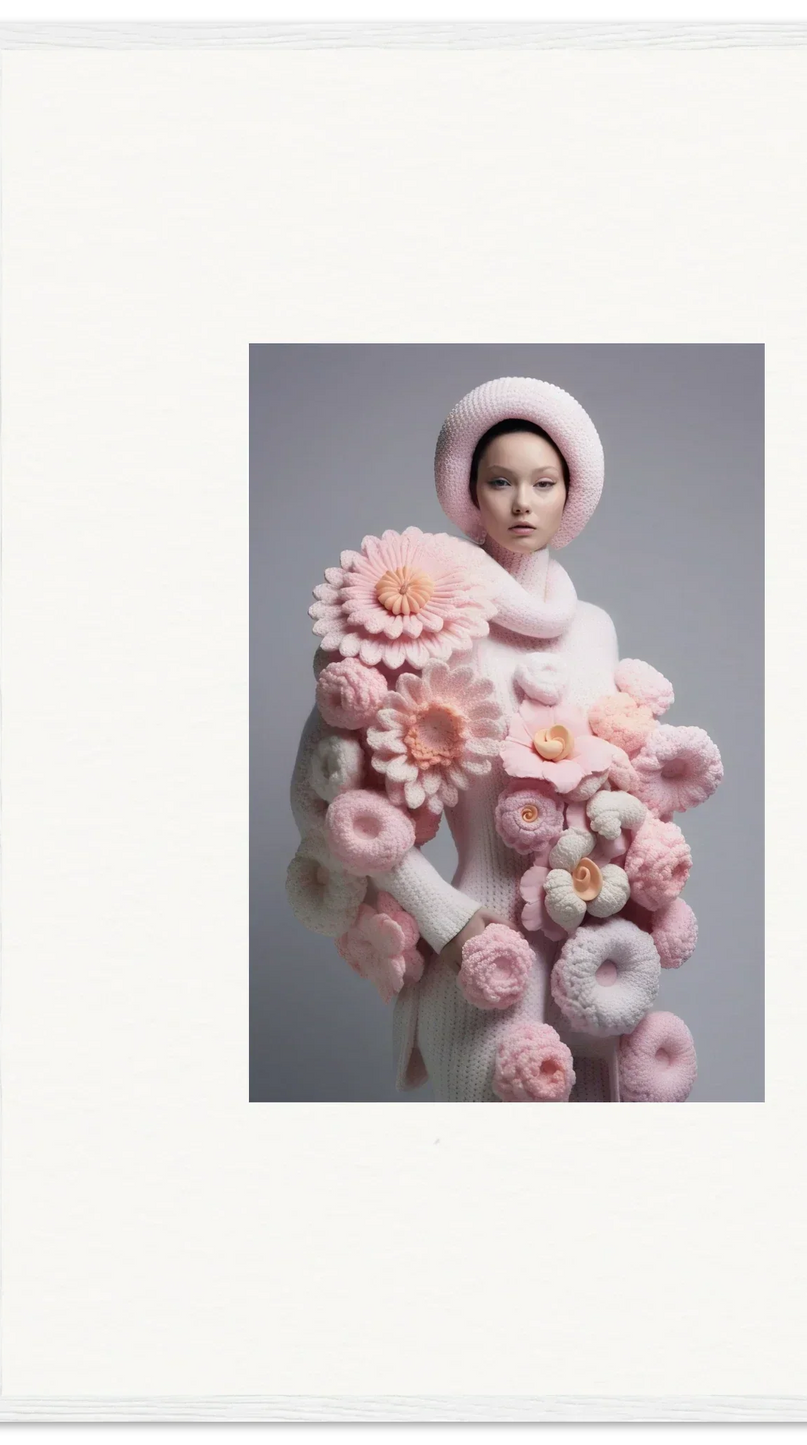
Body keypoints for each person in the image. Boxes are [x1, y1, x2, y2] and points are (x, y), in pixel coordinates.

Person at [287, 377, 712, 1102]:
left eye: (543, 482)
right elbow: (333, 797)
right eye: (500, 481)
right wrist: (442, 919)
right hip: (482, 941)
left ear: (569, 494)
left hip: (596, 935)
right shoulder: (433, 621)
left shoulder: (596, 628)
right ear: (469, 493)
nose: (522, 502)